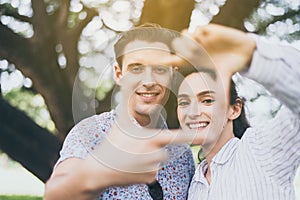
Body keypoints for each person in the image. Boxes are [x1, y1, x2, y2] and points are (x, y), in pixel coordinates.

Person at [44, 25, 195, 200]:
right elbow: (54, 195)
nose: (148, 81)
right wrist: (99, 172)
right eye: (136, 68)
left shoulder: (183, 154)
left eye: (160, 69)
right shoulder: (91, 133)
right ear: (118, 73)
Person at [172, 24, 300, 199]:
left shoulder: (261, 150)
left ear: (234, 109)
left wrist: (248, 52)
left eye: (207, 100)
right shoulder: (195, 185)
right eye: (184, 102)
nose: (192, 112)